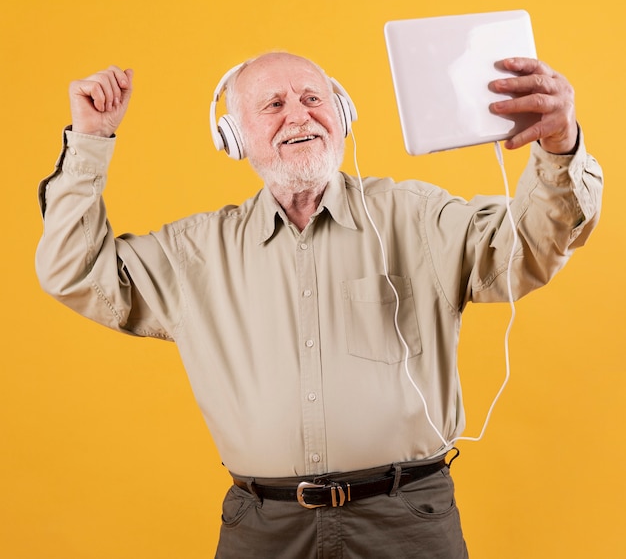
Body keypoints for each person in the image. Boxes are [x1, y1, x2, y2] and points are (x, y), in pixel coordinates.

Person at [36, 51, 603, 558]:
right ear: (233, 135)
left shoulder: (417, 216)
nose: (300, 115)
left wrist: (559, 147)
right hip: (264, 529)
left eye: (314, 98)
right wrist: (89, 141)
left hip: (406, 522)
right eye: (274, 104)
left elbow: (529, 246)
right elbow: (74, 270)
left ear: (344, 115)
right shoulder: (195, 252)